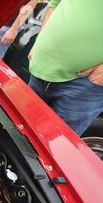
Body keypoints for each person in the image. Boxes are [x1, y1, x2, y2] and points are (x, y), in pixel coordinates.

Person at [29, 0, 103, 136]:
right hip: (42, 66)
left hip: (84, 85)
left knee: (54, 145)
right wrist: (40, 40)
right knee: (17, 133)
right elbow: (54, 5)